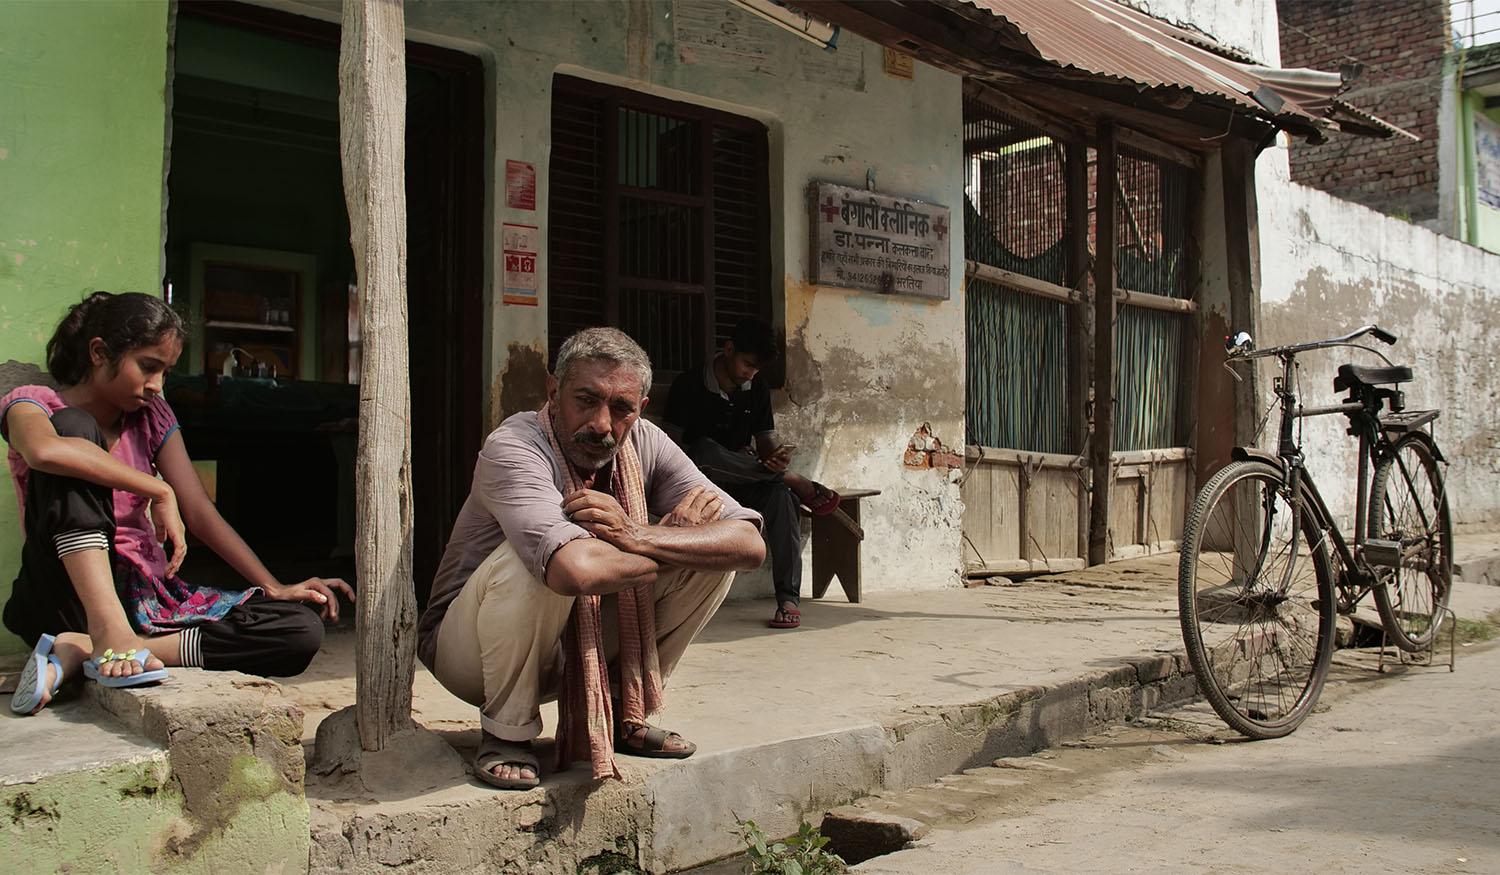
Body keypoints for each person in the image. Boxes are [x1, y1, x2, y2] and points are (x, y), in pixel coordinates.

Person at [418, 327, 764, 791]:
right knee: (534, 562)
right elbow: (573, 570)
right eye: (586, 400)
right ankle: (507, 731)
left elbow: (748, 544)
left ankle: (623, 711)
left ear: (640, 408)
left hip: (564, 650)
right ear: (553, 392)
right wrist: (668, 544)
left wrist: (640, 535)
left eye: (621, 408)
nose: (602, 424)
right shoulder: (515, 446)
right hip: (469, 656)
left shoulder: (646, 442)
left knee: (710, 559)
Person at [4, 291, 354, 716]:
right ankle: (106, 630)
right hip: (62, 592)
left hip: (139, 597)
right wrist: (157, 489)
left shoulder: (152, 416)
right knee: (74, 431)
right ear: (99, 353)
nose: (157, 385)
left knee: (299, 630)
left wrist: (274, 586)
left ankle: (92, 645)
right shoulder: (36, 404)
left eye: (165, 372)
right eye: (147, 367)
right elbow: (44, 451)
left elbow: (200, 513)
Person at [662, 318, 839, 631]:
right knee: (704, 449)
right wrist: (722, 456)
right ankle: (793, 479)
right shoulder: (688, 384)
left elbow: (765, 441)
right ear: (729, 349)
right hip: (702, 484)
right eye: (747, 364)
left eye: (757, 369)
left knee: (783, 498)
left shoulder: (756, 387)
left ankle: (788, 599)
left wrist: (774, 460)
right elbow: (672, 448)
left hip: (746, 478)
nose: (751, 373)